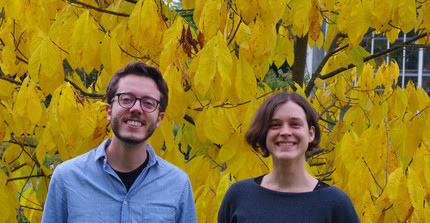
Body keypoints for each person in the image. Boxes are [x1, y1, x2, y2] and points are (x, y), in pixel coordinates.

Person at [42, 61, 197, 223]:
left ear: (159, 118)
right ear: (109, 111)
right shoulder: (67, 179)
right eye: (127, 99)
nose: (136, 108)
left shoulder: (178, 185)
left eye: (148, 103)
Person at [217, 92, 360, 223]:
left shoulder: (336, 203)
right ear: (264, 133)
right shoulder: (238, 196)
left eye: (295, 124)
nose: (285, 132)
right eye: (275, 125)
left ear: (311, 133)